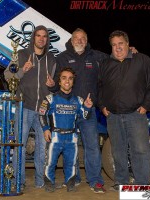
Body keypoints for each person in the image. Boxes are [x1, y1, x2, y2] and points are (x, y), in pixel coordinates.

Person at [98, 30, 150, 191]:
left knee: (140, 150)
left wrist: (146, 106)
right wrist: (102, 106)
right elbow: (99, 88)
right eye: (114, 45)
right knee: (118, 151)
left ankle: (142, 184)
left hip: (136, 115)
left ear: (128, 44)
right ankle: (121, 182)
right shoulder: (106, 64)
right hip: (113, 116)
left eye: (120, 44)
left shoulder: (142, 60)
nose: (117, 48)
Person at [47, 28, 108, 193]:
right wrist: (51, 87)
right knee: (70, 145)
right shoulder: (62, 58)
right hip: (67, 112)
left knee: (92, 146)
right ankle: (74, 178)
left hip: (88, 111)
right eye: (76, 38)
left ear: (86, 40)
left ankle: (95, 181)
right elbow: (56, 85)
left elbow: (117, 59)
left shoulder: (97, 57)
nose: (80, 41)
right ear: (71, 40)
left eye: (83, 38)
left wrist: (131, 53)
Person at [4, 25, 56, 189]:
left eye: (44, 36)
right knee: (20, 145)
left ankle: (40, 182)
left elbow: (54, 86)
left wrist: (53, 85)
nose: (41, 39)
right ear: (33, 37)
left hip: (43, 110)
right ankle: (17, 181)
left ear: (47, 40)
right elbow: (8, 76)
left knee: (43, 147)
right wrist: (22, 71)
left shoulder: (52, 60)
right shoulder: (21, 55)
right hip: (24, 107)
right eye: (38, 35)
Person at [39, 67, 93, 192]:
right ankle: (49, 183)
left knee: (71, 163)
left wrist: (88, 107)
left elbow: (85, 116)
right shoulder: (49, 98)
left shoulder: (79, 100)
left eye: (70, 78)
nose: (67, 81)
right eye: (64, 78)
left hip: (72, 137)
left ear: (73, 82)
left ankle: (70, 183)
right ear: (59, 82)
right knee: (50, 163)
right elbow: (42, 114)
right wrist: (46, 129)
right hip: (55, 136)